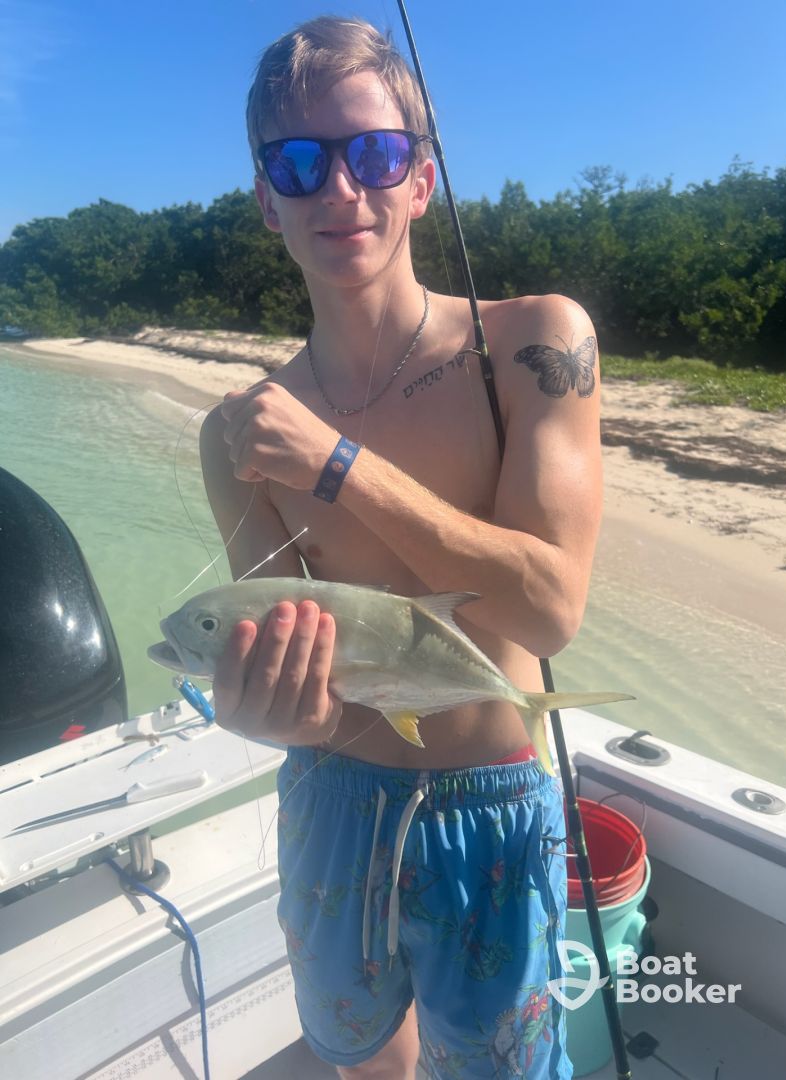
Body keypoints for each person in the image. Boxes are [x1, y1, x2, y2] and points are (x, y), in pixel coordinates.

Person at [200, 15, 602, 1080]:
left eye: (374, 153)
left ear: (421, 179)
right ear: (266, 198)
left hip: (495, 803)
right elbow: (297, 670)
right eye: (300, 163)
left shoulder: (536, 344)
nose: (340, 188)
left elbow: (550, 611)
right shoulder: (237, 434)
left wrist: (339, 464)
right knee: (361, 1061)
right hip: (332, 799)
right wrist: (268, 710)